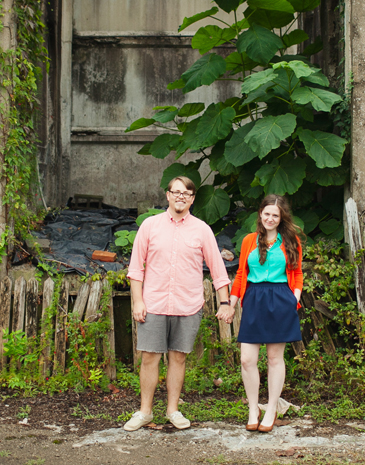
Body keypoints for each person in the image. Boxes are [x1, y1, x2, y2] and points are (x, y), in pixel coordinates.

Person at [123, 176, 233, 432]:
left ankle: (172, 410)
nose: (181, 196)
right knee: (149, 358)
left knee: (178, 359)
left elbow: (218, 271)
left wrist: (225, 302)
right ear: (168, 195)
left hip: (187, 305)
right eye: (176, 192)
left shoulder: (202, 230)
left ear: (193, 199)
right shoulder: (150, 226)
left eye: (187, 193)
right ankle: (145, 412)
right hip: (154, 304)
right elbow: (136, 268)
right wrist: (138, 301)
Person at [227, 194, 303, 433]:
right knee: (247, 359)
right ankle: (253, 408)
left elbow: (297, 273)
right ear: (260, 214)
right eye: (267, 213)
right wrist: (231, 302)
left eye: (275, 215)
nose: (270, 218)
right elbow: (241, 274)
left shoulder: (291, 241)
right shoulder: (250, 240)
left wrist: (295, 299)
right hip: (254, 298)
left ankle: (271, 409)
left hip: (281, 298)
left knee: (274, 359)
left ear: (281, 218)